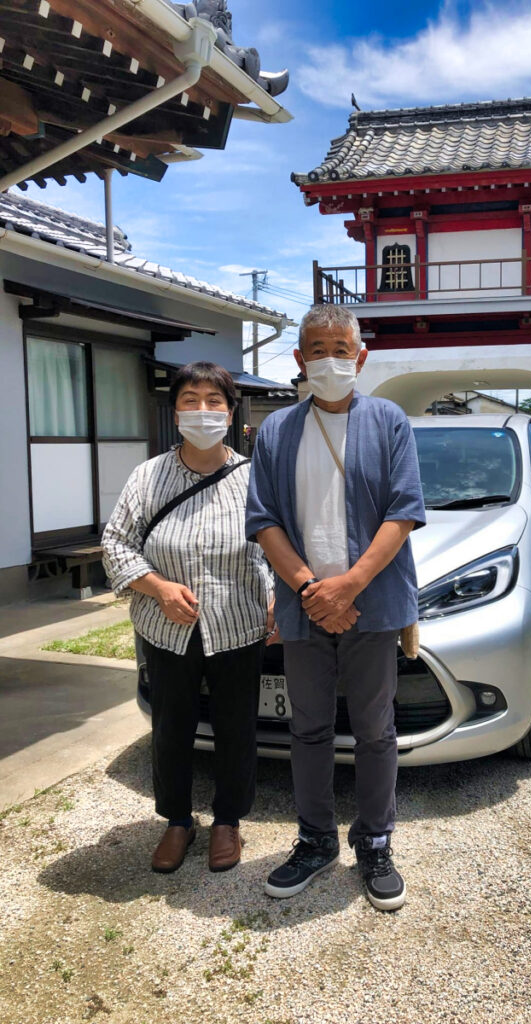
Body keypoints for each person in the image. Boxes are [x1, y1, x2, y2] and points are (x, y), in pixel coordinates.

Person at [245, 305, 426, 912]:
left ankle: (375, 840)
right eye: (316, 349)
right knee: (308, 727)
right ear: (299, 360)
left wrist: (347, 586)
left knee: (375, 729)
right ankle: (315, 838)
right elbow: (264, 520)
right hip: (304, 608)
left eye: (340, 348)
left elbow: (404, 512)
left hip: (370, 606)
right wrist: (310, 590)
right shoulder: (275, 431)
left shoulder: (389, 422)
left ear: (361, 356)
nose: (329, 359)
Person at [102, 362, 272, 874]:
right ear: (174, 410)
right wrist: (155, 586)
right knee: (171, 726)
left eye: (213, 400)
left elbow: (273, 546)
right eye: (191, 400)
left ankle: (227, 821)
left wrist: (275, 597)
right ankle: (177, 820)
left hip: (239, 624)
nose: (203, 410)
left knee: (236, 726)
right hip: (167, 628)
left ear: (230, 408)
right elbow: (114, 543)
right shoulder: (147, 476)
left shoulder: (253, 477)